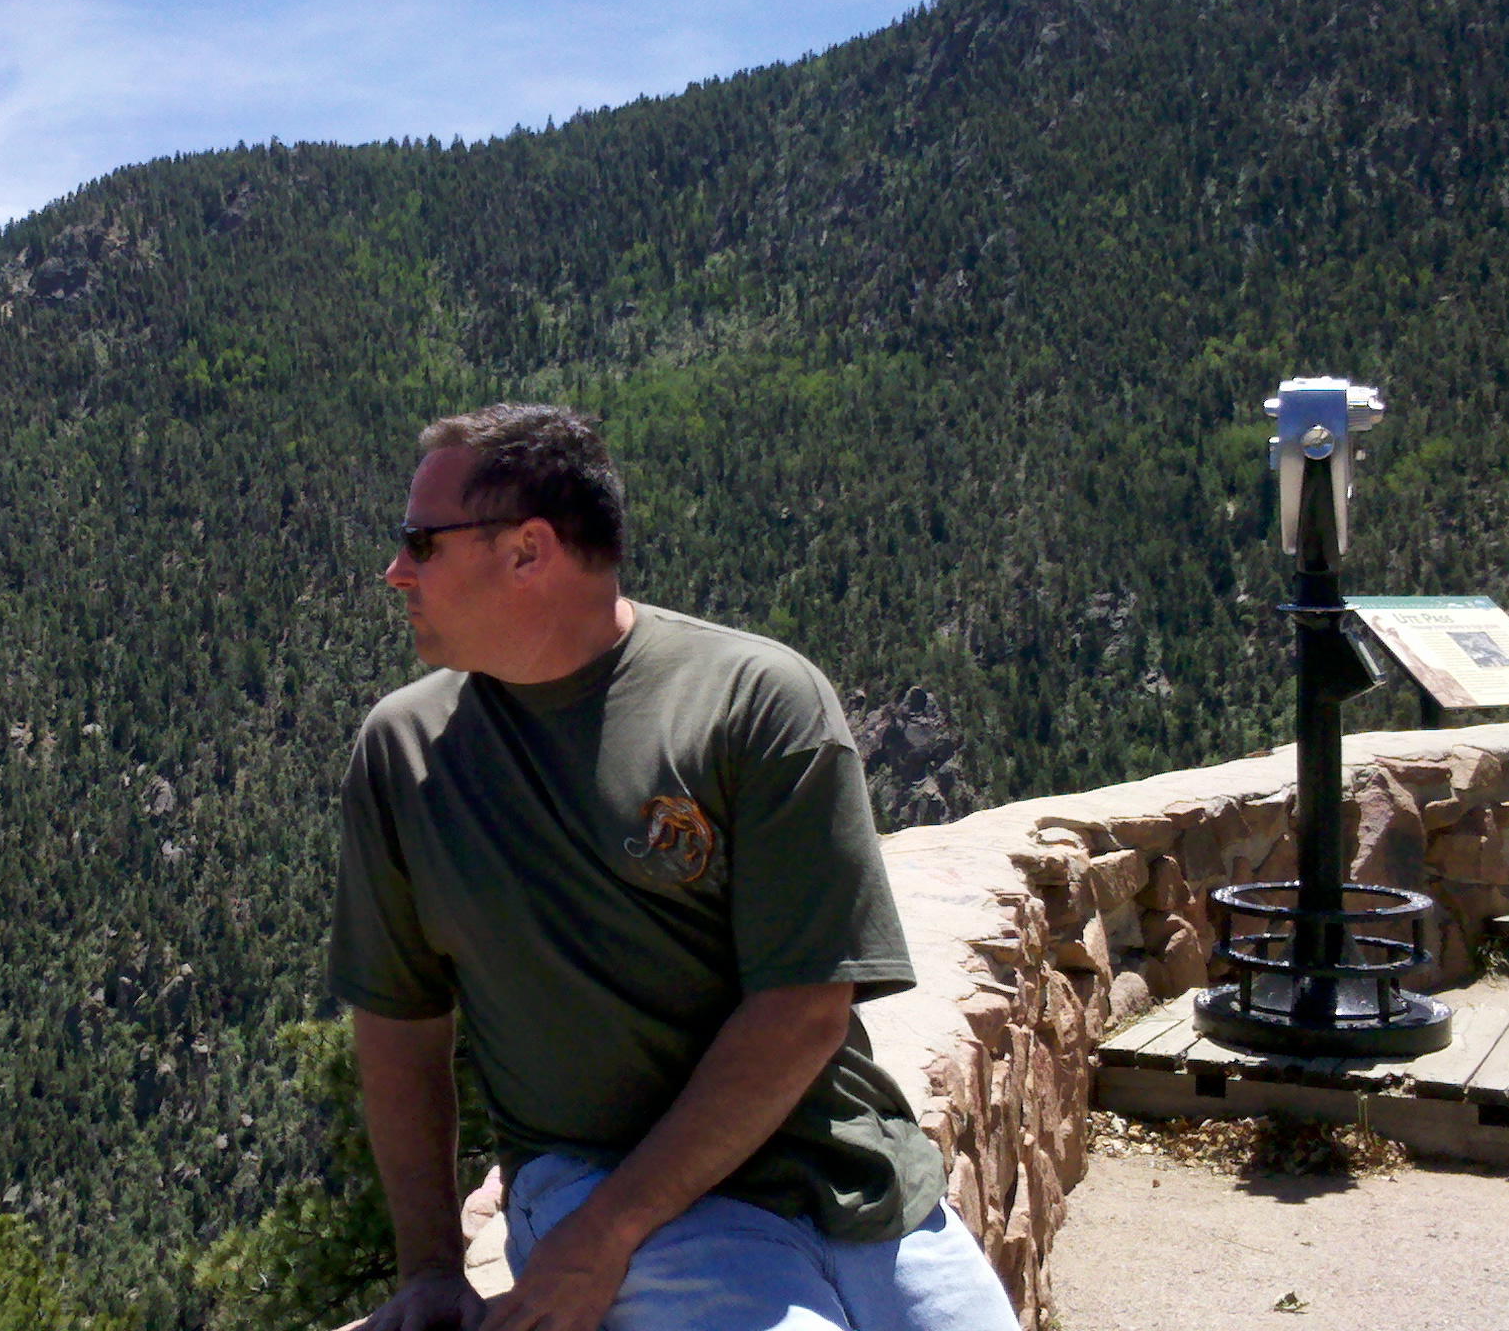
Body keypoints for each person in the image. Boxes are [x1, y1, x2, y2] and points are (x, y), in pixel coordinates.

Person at [327, 403, 1017, 1331]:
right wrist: (428, 1270)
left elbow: (803, 1010)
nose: (396, 570)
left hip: (847, 1179)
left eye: (421, 542)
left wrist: (603, 1236)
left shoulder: (754, 702)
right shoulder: (406, 754)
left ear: (528, 551)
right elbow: (399, 1026)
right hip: (596, 1177)